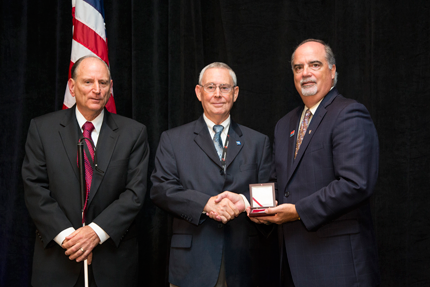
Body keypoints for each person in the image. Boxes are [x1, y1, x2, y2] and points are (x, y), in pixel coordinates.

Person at [249, 39, 380, 286]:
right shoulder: (284, 124)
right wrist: (249, 203)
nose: (305, 73)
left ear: (332, 70)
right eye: (298, 68)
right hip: (291, 263)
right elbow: (279, 184)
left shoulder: (349, 114)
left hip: (337, 262)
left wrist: (299, 211)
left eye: (314, 64)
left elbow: (355, 183)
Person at [22, 55, 149, 287]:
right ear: (72, 86)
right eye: (88, 82)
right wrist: (71, 240)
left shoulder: (134, 133)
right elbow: (34, 188)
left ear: (111, 88)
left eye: (103, 83)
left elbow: (135, 193)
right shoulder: (42, 128)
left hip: (113, 263)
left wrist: (95, 233)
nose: (96, 90)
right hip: (58, 260)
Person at [150, 62, 278, 287]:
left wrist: (245, 202)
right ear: (199, 92)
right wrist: (205, 203)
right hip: (192, 265)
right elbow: (162, 189)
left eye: (225, 87)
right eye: (211, 87)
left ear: (235, 93)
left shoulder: (258, 142)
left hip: (244, 264)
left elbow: (270, 194)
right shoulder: (173, 140)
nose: (218, 94)